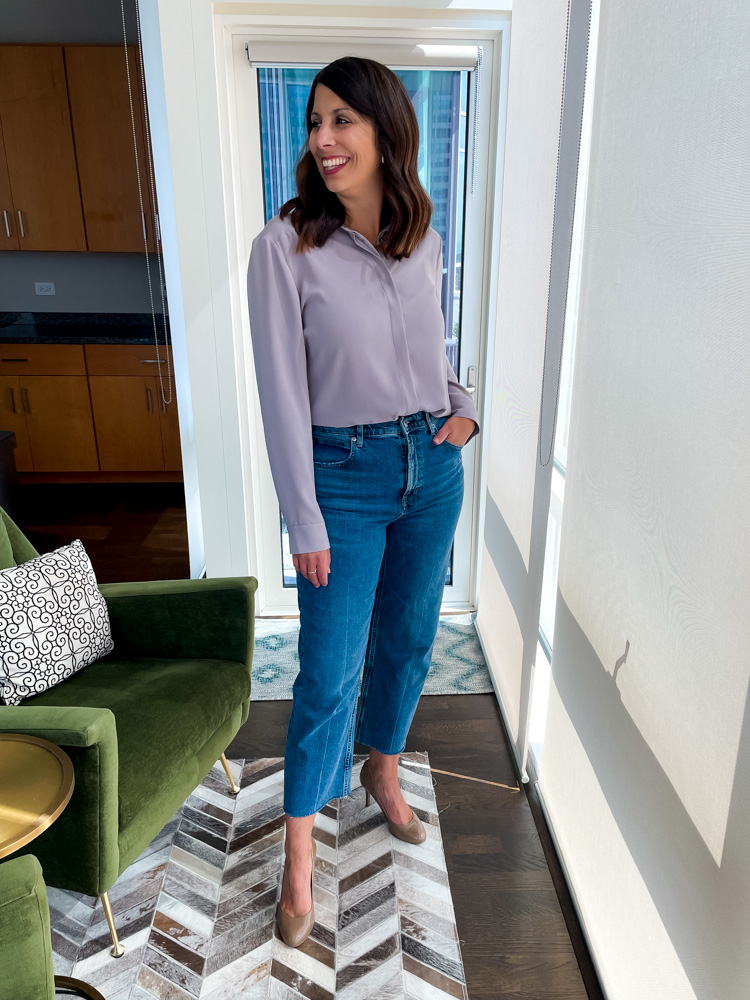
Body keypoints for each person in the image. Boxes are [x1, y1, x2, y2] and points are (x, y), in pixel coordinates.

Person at [246, 56, 481, 949]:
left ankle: (384, 773)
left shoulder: (422, 235)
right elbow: (282, 395)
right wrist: (303, 518)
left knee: (410, 641)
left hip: (431, 466)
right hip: (340, 474)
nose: (323, 139)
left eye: (343, 119)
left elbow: (435, 353)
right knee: (327, 672)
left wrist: (462, 416)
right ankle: (300, 861)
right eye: (315, 122)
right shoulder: (287, 247)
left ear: (386, 129)